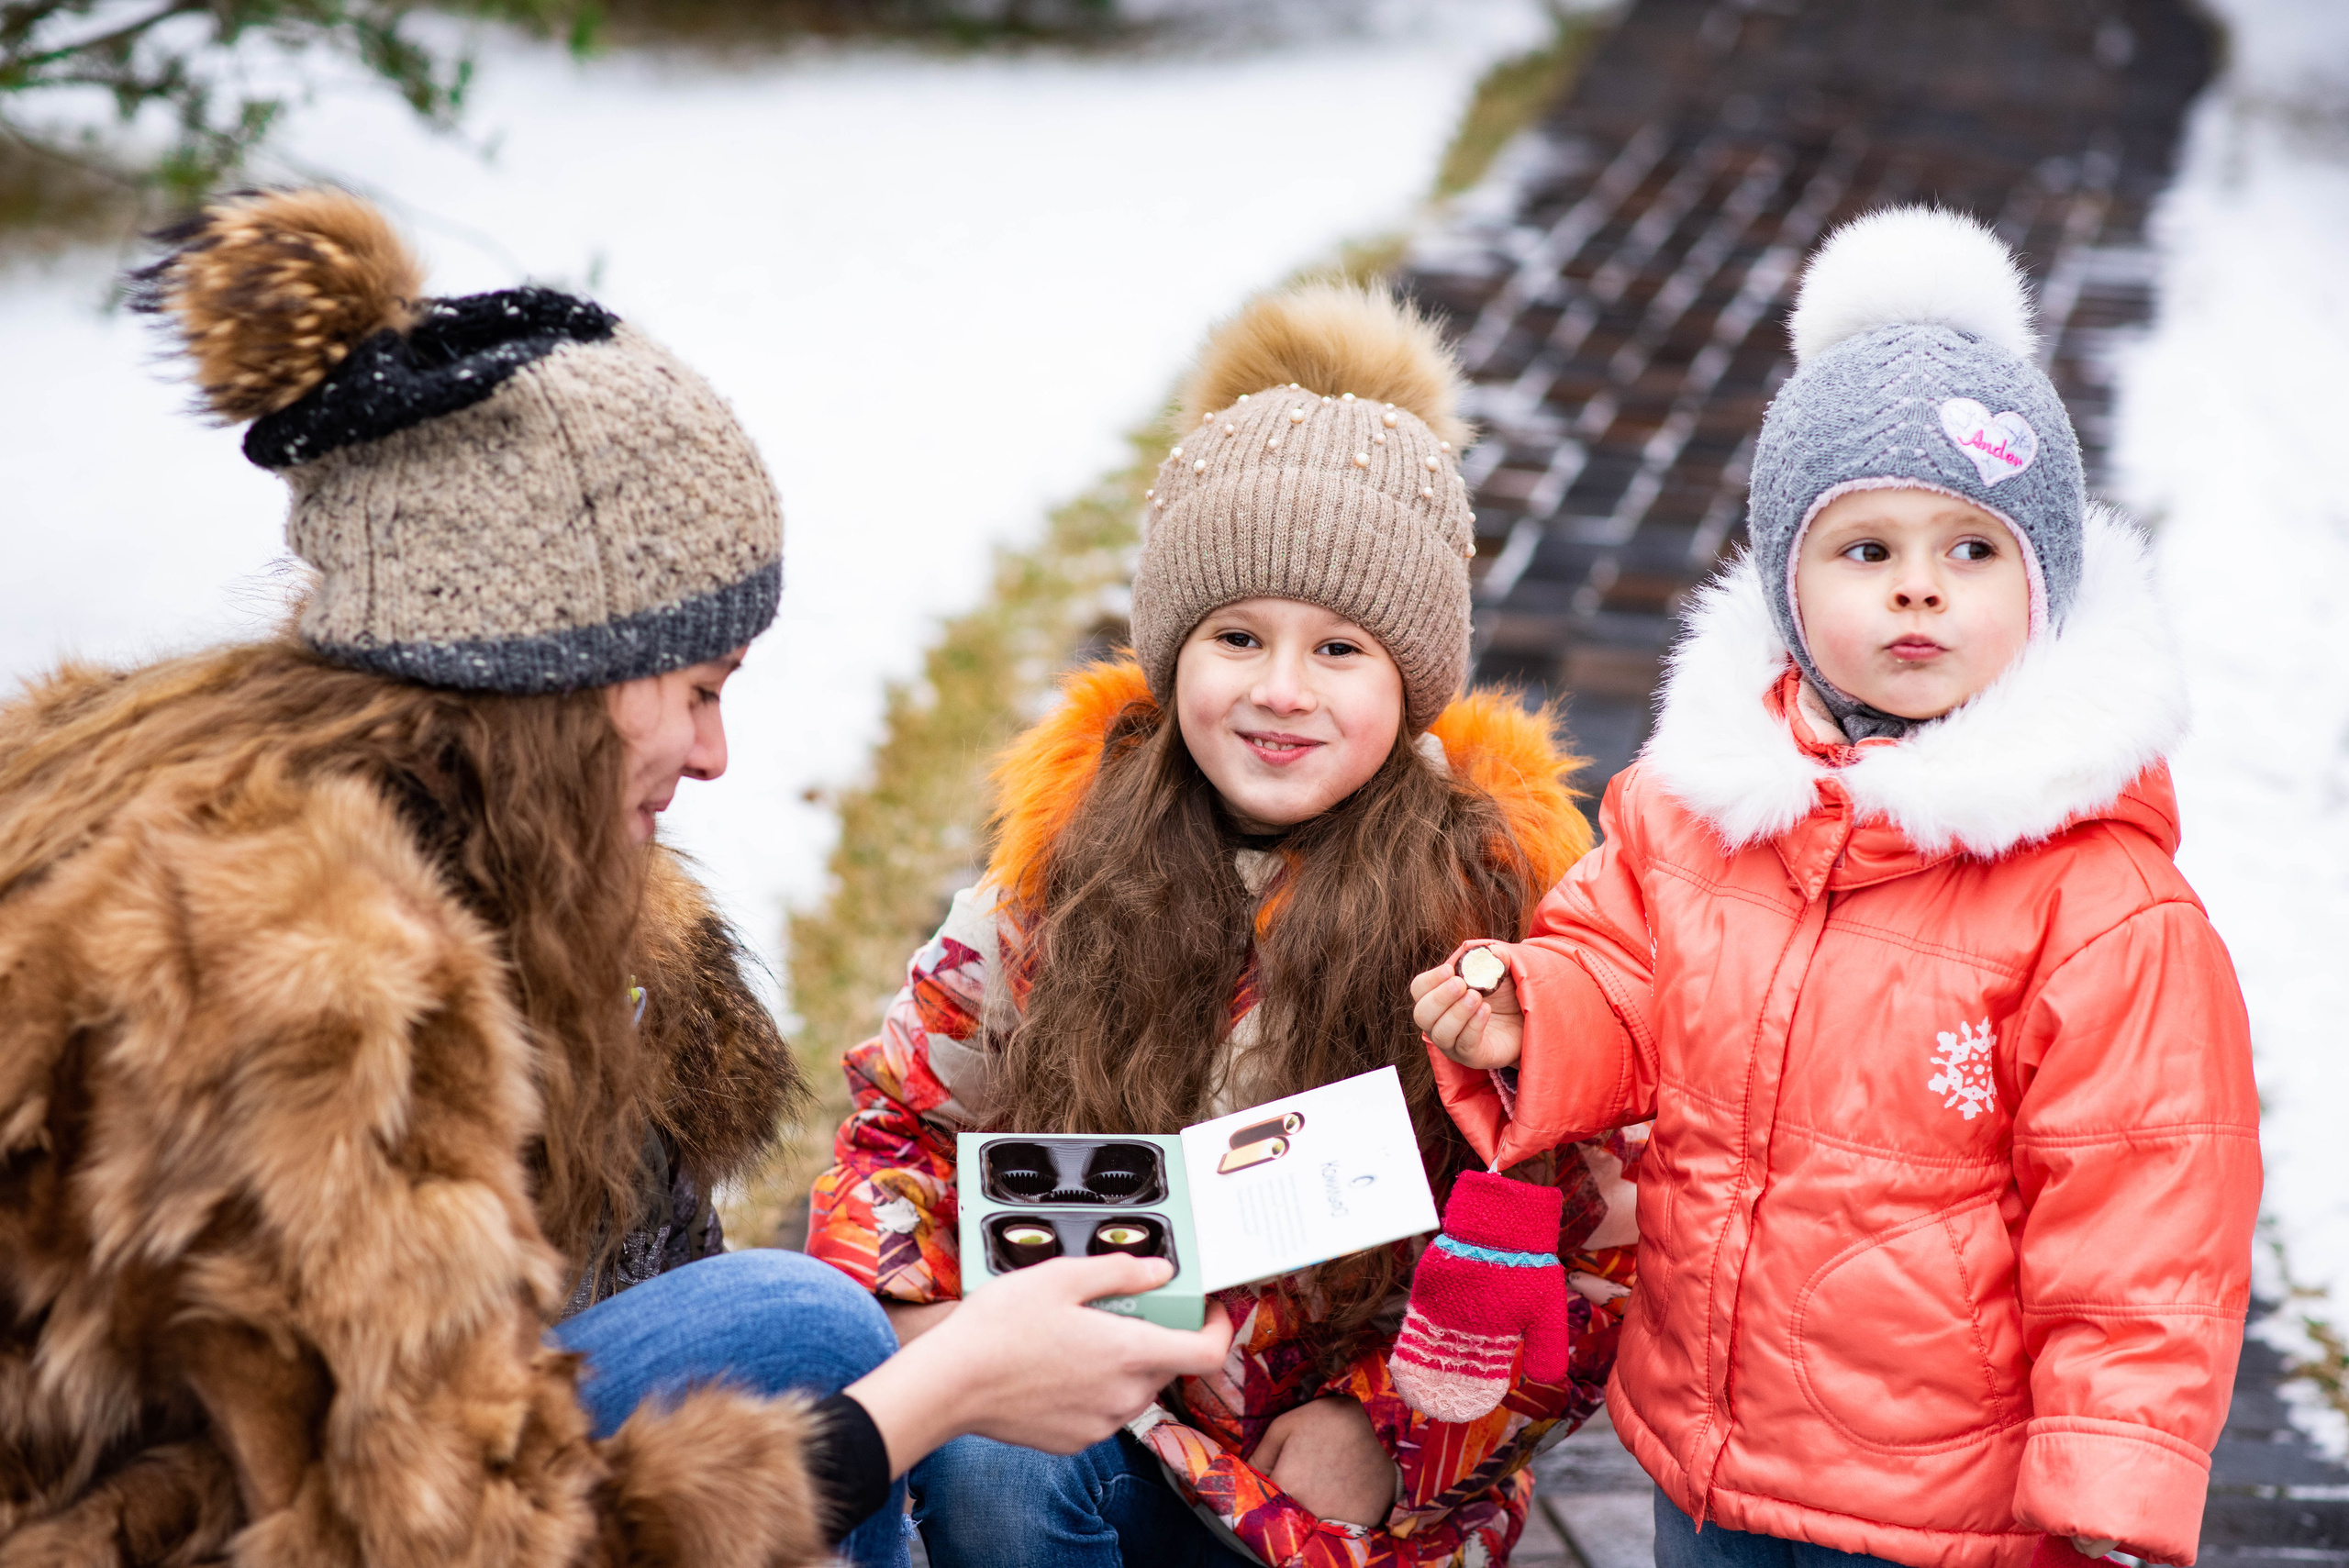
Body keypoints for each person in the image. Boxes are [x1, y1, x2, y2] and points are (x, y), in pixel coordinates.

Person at [0, 188, 1230, 1568]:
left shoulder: (478, 865)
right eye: (697, 687)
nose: (714, 754)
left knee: (779, 1329)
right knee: (810, 1337)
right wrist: (930, 1398)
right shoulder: (296, 966)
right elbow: (445, 1544)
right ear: (546, 679)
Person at [1407, 207, 2260, 1568]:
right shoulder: (1703, 808)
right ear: (1789, 585)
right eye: (1867, 551)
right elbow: (1624, 972)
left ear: (2045, 583)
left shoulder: (2101, 905)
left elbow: (2144, 1208)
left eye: (1972, 550)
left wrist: (2112, 1471)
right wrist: (1536, 1007)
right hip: (1712, 1457)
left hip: (1953, 1504)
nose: (1919, 591)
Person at [806, 282, 1641, 1568]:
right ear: (1172, 651)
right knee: (990, 1464)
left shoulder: (1494, 925)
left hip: (1337, 1513)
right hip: (1097, 1435)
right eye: (1238, 636)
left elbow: (1588, 1245)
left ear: (1414, 676)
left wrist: (1385, 1430)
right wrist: (939, 1341)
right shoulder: (1054, 890)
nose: (1280, 690)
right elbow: (897, 1132)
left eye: (1340, 650)